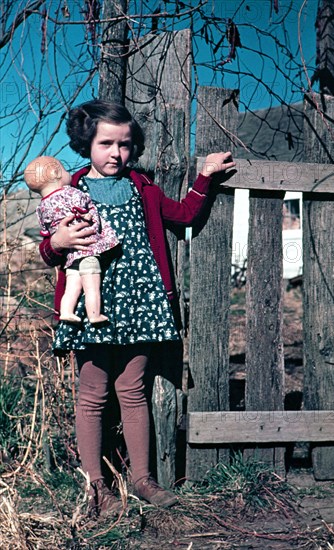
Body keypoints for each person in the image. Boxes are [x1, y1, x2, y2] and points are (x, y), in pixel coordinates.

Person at [38, 99, 236, 517]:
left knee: (133, 390)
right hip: (95, 304)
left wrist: (205, 178)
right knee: (92, 393)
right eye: (106, 143)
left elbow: (183, 216)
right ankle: (95, 488)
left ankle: (142, 479)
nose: (116, 153)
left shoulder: (142, 187)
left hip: (142, 302)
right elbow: (49, 246)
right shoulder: (68, 191)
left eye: (125, 145)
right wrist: (55, 244)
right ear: (85, 143)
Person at [24, 156, 120, 325]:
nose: (69, 174)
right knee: (92, 286)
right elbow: (85, 206)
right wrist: (89, 214)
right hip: (88, 249)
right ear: (55, 172)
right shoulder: (71, 192)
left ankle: (67, 311)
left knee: (72, 286)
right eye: (65, 170)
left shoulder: (42, 207)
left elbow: (45, 230)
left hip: (70, 256)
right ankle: (94, 314)